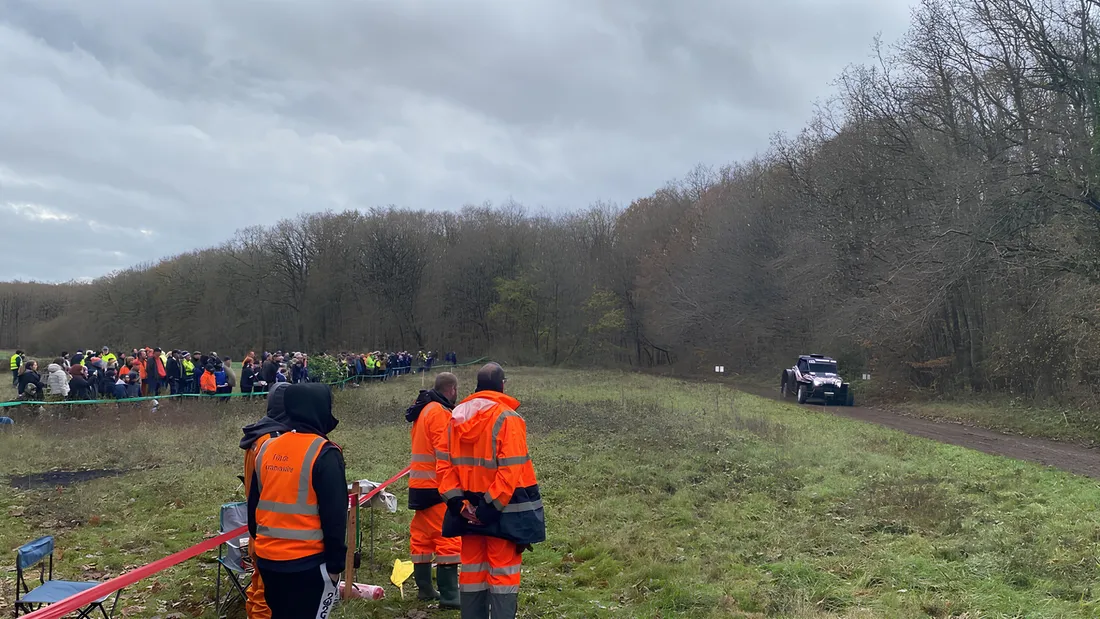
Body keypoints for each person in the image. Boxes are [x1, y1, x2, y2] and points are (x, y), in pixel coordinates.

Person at [437, 363, 545, 619]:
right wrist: (488, 509)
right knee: (503, 575)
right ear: (502, 384)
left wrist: (461, 506)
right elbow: (510, 470)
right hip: (501, 513)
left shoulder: (454, 417)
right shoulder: (508, 418)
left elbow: (443, 466)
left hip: (467, 515)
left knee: (472, 572)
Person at [247, 383, 347, 619]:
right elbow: (335, 516)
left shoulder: (267, 447)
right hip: (307, 564)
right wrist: (335, 566)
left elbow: (253, 507)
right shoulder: (324, 452)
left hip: (268, 560)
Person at [405, 372, 462, 608]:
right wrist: (454, 484)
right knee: (446, 539)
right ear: (452, 390)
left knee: (422, 537)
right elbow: (444, 452)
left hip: (419, 485)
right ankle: (450, 596)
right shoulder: (439, 413)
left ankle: (425, 589)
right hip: (437, 486)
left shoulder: (424, 410)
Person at [239, 383, 292, 619]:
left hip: (260, 525)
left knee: (259, 587)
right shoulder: (272, 441)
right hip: (270, 529)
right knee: (265, 594)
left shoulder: (261, 435)